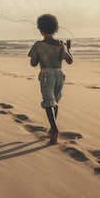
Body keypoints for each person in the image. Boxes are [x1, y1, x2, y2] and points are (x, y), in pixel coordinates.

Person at [28, 14, 73, 144]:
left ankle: (53, 129)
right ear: (55, 29)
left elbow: (33, 63)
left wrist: (36, 57)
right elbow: (69, 61)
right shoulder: (60, 44)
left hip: (47, 74)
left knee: (48, 102)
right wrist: (69, 49)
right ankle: (53, 127)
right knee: (56, 100)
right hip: (59, 74)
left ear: (41, 30)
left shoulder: (39, 45)